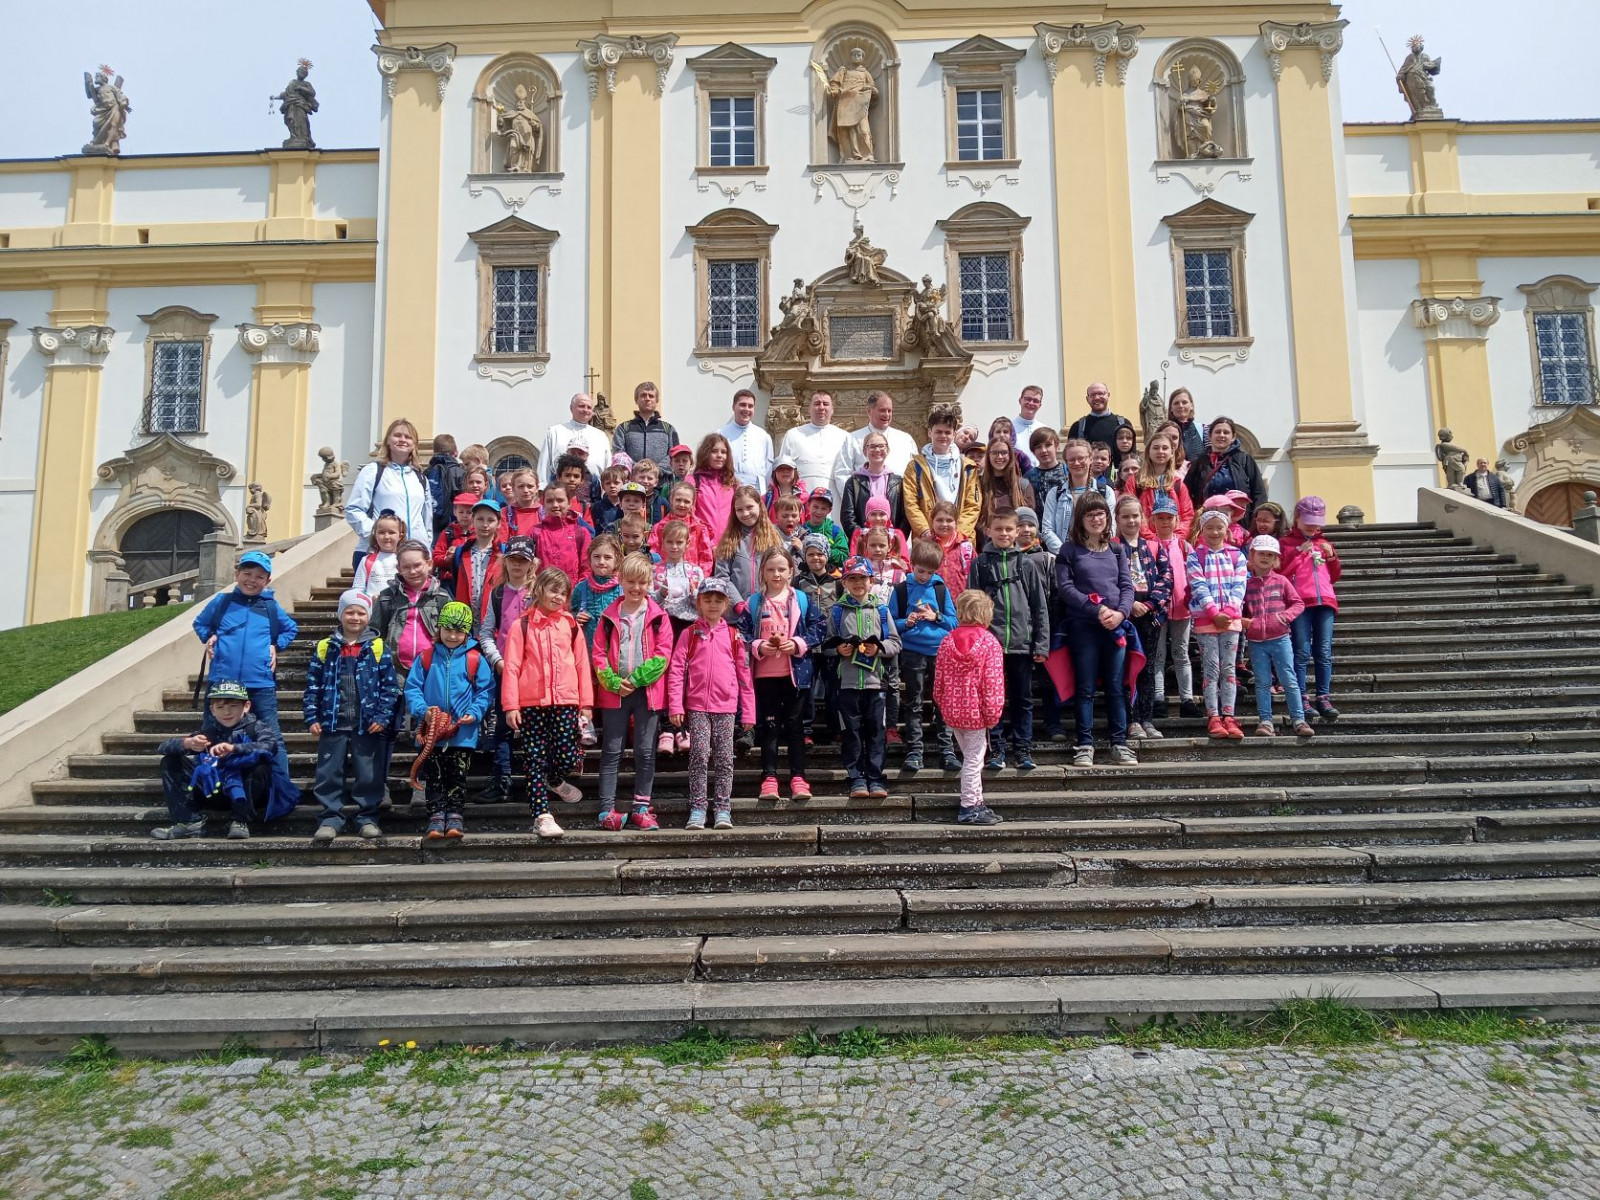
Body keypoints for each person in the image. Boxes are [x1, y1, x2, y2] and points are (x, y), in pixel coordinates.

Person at [503, 567, 592, 839]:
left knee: (568, 755)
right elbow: (512, 666)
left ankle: (554, 779)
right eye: (553, 590)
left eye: (563, 593)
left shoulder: (570, 624)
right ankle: (541, 815)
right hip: (532, 704)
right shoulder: (522, 625)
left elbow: (581, 664)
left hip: (566, 701)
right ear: (539, 589)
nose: (558, 597)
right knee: (534, 759)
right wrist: (511, 705)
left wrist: (586, 703)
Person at [305, 589, 398, 842]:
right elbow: (313, 685)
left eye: (361, 613)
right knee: (328, 773)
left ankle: (367, 817)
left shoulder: (377, 646)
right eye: (349, 612)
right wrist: (312, 717)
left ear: (368, 616)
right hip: (332, 723)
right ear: (340, 614)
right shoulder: (326, 647)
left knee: (368, 775)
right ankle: (330, 818)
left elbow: (390, 687)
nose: (355, 617)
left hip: (366, 724)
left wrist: (382, 717)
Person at [152, 680, 297, 841]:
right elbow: (162, 747)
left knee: (260, 764)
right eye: (220, 707)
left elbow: (271, 746)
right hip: (216, 791)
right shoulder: (209, 732)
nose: (227, 712)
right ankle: (189, 822)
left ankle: (240, 820)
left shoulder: (257, 727)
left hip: (250, 794)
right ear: (212, 710)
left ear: (246, 706)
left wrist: (234, 748)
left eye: (233, 706)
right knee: (170, 761)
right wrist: (187, 743)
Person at [591, 553, 674, 830]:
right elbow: (598, 654)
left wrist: (636, 679)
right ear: (621, 581)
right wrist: (614, 682)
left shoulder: (659, 616)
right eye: (630, 582)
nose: (636, 588)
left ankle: (641, 807)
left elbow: (663, 655)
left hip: (648, 692)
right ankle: (606, 810)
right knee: (611, 750)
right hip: (614, 693)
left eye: (642, 582)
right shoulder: (608, 617)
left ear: (649, 583)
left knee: (645, 751)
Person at [1055, 493, 1138, 767]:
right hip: (1084, 627)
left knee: (1116, 687)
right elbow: (1066, 588)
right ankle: (1085, 744)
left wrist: (1121, 613)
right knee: (1086, 687)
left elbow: (1127, 586)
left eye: (1100, 513)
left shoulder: (1117, 550)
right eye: (1089, 514)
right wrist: (1096, 610)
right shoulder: (1069, 551)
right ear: (1080, 519)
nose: (1095, 519)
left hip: (1115, 626)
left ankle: (1119, 744)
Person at [667, 577, 755, 830]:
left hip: (726, 708)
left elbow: (744, 676)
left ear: (726, 604)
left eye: (718, 600)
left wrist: (748, 712)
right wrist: (676, 705)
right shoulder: (689, 634)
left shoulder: (734, 636)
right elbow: (676, 670)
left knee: (725, 759)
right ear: (699, 603)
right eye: (708, 599)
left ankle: (722, 808)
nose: (713, 604)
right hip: (697, 707)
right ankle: (698, 807)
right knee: (699, 755)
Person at [405, 600, 495, 839]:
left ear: (466, 633)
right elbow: (412, 688)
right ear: (439, 628)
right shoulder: (425, 657)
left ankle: (455, 815)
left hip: (463, 734)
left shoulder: (475, 659)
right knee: (433, 776)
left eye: (459, 631)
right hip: (432, 732)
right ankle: (435, 816)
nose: (453, 636)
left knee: (457, 776)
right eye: (448, 629)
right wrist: (423, 710)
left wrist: (475, 712)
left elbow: (485, 691)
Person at [971, 509, 1048, 771]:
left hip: (1021, 643)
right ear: (988, 531)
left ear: (1016, 532)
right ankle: (996, 748)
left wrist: (1041, 643)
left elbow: (1039, 607)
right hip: (990, 646)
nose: (1003, 533)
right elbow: (972, 606)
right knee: (992, 699)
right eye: (998, 529)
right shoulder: (980, 563)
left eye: (1008, 529)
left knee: (1022, 698)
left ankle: (1023, 748)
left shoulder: (1027, 564)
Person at [193, 549, 299, 739]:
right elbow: (200, 623)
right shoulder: (222, 602)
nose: (252, 580)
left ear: (267, 581)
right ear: (237, 574)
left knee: (272, 736)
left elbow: (290, 629)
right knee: (211, 735)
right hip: (222, 681)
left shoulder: (270, 606)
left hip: (260, 683)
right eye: (247, 573)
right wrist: (210, 636)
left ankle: (274, 763)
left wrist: (275, 645)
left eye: (259, 576)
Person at [745, 548, 817, 801]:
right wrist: (758, 646)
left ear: (790, 571)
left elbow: (819, 628)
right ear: (762, 572)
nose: (776, 574)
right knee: (770, 727)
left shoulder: (802, 599)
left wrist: (797, 643)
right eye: (771, 569)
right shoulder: (754, 602)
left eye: (781, 569)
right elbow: (742, 634)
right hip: (765, 677)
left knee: (796, 727)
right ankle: (769, 778)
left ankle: (798, 778)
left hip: (796, 675)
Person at [826, 556, 901, 800]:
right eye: (852, 579)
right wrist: (839, 650)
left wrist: (878, 649)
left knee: (876, 732)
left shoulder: (881, 609)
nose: (858, 583)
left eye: (862, 578)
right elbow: (826, 645)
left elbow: (895, 643)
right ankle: (856, 778)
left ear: (871, 581)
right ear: (845, 583)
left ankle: (876, 777)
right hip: (847, 684)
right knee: (852, 732)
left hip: (876, 683)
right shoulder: (837, 610)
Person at [934, 590, 1006, 826]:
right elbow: (992, 683)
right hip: (976, 712)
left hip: (953, 710)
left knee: (970, 757)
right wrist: (993, 714)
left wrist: (943, 704)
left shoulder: (947, 641)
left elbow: (939, 680)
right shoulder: (989, 642)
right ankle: (968, 806)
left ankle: (977, 800)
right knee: (974, 760)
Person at [477, 535, 538, 802]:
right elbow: (486, 633)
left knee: (534, 728)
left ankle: (536, 781)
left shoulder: (539, 592)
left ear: (531, 563)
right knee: (502, 727)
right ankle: (501, 780)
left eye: (523, 560)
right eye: (513, 559)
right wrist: (497, 660)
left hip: (534, 672)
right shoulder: (497, 593)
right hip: (505, 670)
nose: (517, 564)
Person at [892, 538, 959, 774]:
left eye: (930, 572)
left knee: (943, 702)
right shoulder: (901, 590)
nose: (924, 576)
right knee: (914, 702)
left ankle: (947, 751)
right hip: (912, 652)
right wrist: (906, 622)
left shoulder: (940, 589)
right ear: (912, 564)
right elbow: (891, 624)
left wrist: (936, 616)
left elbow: (954, 622)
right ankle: (914, 752)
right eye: (921, 571)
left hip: (939, 652)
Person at [1111, 495, 1173, 741]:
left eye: (1135, 516)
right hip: (1123, 615)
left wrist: (1149, 604)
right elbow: (1107, 581)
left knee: (1147, 667)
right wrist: (1129, 604)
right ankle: (1131, 720)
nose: (1131, 521)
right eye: (1125, 516)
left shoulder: (1154, 546)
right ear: (1117, 519)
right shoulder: (1112, 547)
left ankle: (1147, 719)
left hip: (1150, 616)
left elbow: (1166, 578)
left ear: (1143, 518)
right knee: (1126, 667)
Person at [1187, 500, 1249, 740]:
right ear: (1202, 530)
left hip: (1231, 621)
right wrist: (1214, 612)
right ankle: (1213, 715)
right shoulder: (1195, 556)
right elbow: (1198, 585)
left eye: (1219, 527)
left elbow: (1240, 585)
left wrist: (1230, 611)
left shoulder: (1236, 555)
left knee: (1229, 669)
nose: (1214, 532)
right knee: (1211, 669)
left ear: (1226, 529)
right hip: (1206, 620)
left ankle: (1229, 715)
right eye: (1209, 528)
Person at [1242, 535, 1314, 739]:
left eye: (1270, 555)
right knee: (1262, 681)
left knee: (1289, 679)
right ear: (1252, 555)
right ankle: (1266, 721)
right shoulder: (1246, 584)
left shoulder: (1281, 581)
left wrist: (1284, 617)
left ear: (1275, 559)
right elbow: (1239, 608)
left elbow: (1298, 603)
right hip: (1256, 641)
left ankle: (1298, 720)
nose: (1265, 557)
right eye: (1261, 553)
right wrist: (1247, 622)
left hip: (1280, 638)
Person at [1280, 495, 1343, 722]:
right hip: (1300, 603)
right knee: (1302, 651)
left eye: (1316, 523)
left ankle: (1323, 697)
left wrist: (1332, 557)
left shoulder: (1324, 542)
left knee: (1323, 651)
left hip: (1325, 601)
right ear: (1297, 518)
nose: (1312, 527)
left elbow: (1334, 576)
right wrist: (1298, 552)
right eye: (1308, 522)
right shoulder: (1286, 543)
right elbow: (1281, 573)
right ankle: (1302, 697)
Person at [345, 418, 433, 572]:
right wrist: (377, 536)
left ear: (414, 444)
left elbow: (426, 520)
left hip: (413, 557)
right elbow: (353, 509)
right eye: (397, 435)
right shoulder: (373, 471)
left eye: (408, 437)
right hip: (378, 554)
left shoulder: (420, 478)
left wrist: (426, 548)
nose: (402, 440)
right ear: (388, 441)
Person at [1146, 493, 1197, 720]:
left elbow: (1195, 575)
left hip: (1183, 608)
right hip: (1158, 609)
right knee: (1158, 655)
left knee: (1181, 653)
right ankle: (1158, 698)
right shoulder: (1149, 547)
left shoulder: (1185, 547)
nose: (1165, 522)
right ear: (1152, 520)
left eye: (1169, 518)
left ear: (1177, 520)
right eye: (1160, 518)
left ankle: (1187, 699)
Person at [904, 403, 982, 540]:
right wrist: (925, 531)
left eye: (947, 432)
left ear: (954, 434)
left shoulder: (968, 467)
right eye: (938, 432)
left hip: (960, 539)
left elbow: (973, 505)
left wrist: (960, 534)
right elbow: (911, 503)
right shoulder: (915, 466)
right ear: (930, 432)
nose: (943, 436)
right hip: (927, 539)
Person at [832, 390, 919, 494]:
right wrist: (853, 499)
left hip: (899, 499)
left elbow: (915, 473)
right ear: (869, 411)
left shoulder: (906, 439)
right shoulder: (853, 439)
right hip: (865, 499)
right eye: (882, 410)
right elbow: (842, 473)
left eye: (889, 411)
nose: (887, 415)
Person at [1041, 438, 1115, 555]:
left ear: (1090, 459)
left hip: (1096, 555)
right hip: (1064, 557)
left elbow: (1111, 528)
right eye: (1071, 459)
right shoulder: (1055, 494)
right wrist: (1066, 553)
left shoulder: (1105, 492)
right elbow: (1047, 530)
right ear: (1066, 462)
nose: (1076, 463)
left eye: (1081, 458)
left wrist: (1091, 552)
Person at [712, 485, 783, 604]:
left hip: (767, 607)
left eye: (749, 507)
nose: (745, 513)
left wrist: (771, 600)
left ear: (759, 506)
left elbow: (781, 572)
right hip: (737, 609)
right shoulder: (729, 540)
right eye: (739, 510)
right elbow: (722, 576)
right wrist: (737, 603)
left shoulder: (774, 537)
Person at [1186, 414, 1267, 512]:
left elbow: (1259, 493)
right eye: (1217, 432)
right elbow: (1187, 494)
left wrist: (1256, 517)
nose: (1221, 435)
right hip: (1208, 518)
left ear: (1233, 437)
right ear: (1210, 436)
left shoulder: (1245, 460)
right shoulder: (1199, 463)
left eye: (1226, 432)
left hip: (1239, 519)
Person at [779, 390, 852, 493]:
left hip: (834, 495)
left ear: (832, 410)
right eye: (817, 403)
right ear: (809, 409)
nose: (821, 407)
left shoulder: (845, 437)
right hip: (801, 495)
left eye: (825, 404)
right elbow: (783, 468)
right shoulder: (793, 434)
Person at [839, 430, 905, 538]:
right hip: (862, 543)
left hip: (892, 543)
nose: (877, 450)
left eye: (881, 446)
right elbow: (848, 516)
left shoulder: (898, 483)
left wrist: (896, 539)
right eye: (872, 446)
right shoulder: (854, 482)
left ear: (887, 450)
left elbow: (904, 516)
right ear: (865, 451)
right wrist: (861, 539)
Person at [1130, 431, 1194, 536]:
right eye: (1156, 448)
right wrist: (1150, 538)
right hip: (1143, 540)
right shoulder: (1135, 481)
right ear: (1148, 451)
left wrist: (1176, 538)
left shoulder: (1178, 484)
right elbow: (1130, 512)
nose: (1160, 451)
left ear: (1172, 452)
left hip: (1173, 540)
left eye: (1165, 448)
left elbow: (1187, 517)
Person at [653, 518, 707, 640]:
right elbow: (648, 602)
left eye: (679, 542)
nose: (674, 546)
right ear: (663, 542)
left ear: (687, 543)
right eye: (670, 542)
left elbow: (703, 604)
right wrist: (661, 594)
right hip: (663, 624)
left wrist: (694, 593)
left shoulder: (696, 571)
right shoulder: (654, 571)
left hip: (690, 624)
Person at [975, 435, 1036, 542]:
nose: (999, 457)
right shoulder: (979, 484)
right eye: (995, 453)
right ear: (988, 456)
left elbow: (1028, 520)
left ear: (1010, 455)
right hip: (987, 545)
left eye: (1004, 453)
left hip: (1016, 545)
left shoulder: (1023, 485)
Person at [450, 498, 503, 618]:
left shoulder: (503, 552)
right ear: (473, 520)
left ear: (499, 523)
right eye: (480, 519)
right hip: (466, 618)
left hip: (494, 619)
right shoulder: (461, 552)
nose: (485, 525)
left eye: (490, 520)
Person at [540, 393, 611, 482]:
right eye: (581, 406)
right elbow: (544, 465)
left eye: (589, 407)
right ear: (571, 408)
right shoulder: (554, 432)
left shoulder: (601, 436)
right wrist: (543, 487)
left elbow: (608, 465)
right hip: (560, 487)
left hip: (593, 487)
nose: (585, 410)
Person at [570, 534, 624, 651]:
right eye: (596, 557)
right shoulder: (581, 588)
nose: (601, 561)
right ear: (590, 559)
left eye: (607, 557)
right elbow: (568, 613)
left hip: (616, 650)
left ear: (617, 560)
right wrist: (575, 617)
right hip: (587, 649)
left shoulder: (623, 588)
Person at [533, 481, 592, 584]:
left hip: (572, 590)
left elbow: (586, 568)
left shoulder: (580, 533)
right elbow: (529, 568)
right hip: (542, 590)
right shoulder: (535, 532)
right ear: (543, 504)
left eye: (560, 500)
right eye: (550, 501)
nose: (555, 505)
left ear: (569, 503)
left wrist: (578, 590)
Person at [1066, 383, 1136, 468]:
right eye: (1092, 395)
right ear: (1087, 399)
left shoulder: (1124, 423)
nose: (1097, 397)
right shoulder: (1077, 427)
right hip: (1089, 475)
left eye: (1101, 393)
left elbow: (1132, 455)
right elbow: (1070, 455)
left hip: (1119, 474)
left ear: (1108, 395)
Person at [613, 381, 679, 470]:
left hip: (662, 477)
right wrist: (638, 469)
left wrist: (656, 470)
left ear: (657, 401)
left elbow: (674, 453)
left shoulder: (668, 429)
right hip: (632, 477)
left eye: (651, 396)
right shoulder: (623, 428)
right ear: (636, 400)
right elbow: (619, 453)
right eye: (643, 395)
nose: (647, 398)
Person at [650, 481, 715, 571]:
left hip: (692, 576)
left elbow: (706, 557)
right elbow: (654, 553)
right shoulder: (660, 527)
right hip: (664, 575)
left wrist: (700, 576)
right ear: (671, 499)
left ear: (692, 503)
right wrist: (658, 573)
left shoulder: (699, 527)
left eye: (686, 501)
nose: (681, 504)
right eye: (678, 500)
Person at [720, 388, 774, 489]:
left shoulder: (763, 436)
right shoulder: (721, 434)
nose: (746, 409)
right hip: (728, 487)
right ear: (733, 407)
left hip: (757, 490)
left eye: (750, 406)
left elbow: (768, 467)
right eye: (742, 405)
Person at [690, 432, 740, 537]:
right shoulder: (693, 481)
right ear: (705, 453)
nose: (719, 455)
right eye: (714, 451)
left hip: (728, 542)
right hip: (703, 542)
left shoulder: (733, 484)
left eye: (723, 452)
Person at [923, 499, 974, 594]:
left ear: (956, 522)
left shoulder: (966, 547)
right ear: (932, 521)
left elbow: (975, 575)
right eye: (939, 520)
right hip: (931, 599)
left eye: (949, 520)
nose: (944, 524)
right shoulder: (924, 546)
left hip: (960, 600)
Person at [352, 512, 405, 599]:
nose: (386, 536)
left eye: (391, 532)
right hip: (373, 606)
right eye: (381, 532)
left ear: (400, 536)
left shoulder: (405, 560)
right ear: (375, 535)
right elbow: (357, 590)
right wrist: (370, 597)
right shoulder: (367, 561)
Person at [423, 433, 466, 538]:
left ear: (434, 452)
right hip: (455, 529)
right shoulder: (461, 473)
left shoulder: (426, 473)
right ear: (456, 453)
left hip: (431, 528)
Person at [799, 488, 848, 570]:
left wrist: (824, 551)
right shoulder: (800, 530)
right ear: (808, 505)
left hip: (830, 574)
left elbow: (844, 557)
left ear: (829, 510)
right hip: (805, 573)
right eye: (815, 507)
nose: (818, 512)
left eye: (823, 508)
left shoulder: (835, 531)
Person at [498, 467, 543, 543]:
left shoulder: (545, 513)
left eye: (530, 486)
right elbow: (502, 542)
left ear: (537, 488)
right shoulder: (505, 513)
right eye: (521, 486)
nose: (526, 490)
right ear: (514, 488)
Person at [1026, 427, 1065, 508]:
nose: (1043, 450)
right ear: (1033, 451)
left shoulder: (1068, 472)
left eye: (1048, 445)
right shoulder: (1028, 478)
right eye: (1038, 447)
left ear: (1057, 446)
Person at [763, 454, 810, 520]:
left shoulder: (806, 498)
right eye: (780, 469)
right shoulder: (766, 499)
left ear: (795, 471)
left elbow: (810, 521)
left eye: (789, 468)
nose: (785, 471)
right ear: (774, 473)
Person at [1167, 388, 1205, 463]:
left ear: (1191, 406)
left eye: (1184, 402)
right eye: (1176, 403)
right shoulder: (1163, 431)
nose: (1180, 406)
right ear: (1171, 408)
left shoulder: (1203, 429)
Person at [592, 465, 627, 533]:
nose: (612, 486)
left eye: (616, 483)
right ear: (603, 486)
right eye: (608, 483)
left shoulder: (628, 505)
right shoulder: (596, 507)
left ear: (624, 484)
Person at [1012, 385, 1047, 452]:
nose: (1031, 403)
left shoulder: (1044, 429)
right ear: (1020, 401)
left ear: (1039, 405)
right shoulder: (1008, 428)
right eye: (1027, 399)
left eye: (1035, 401)